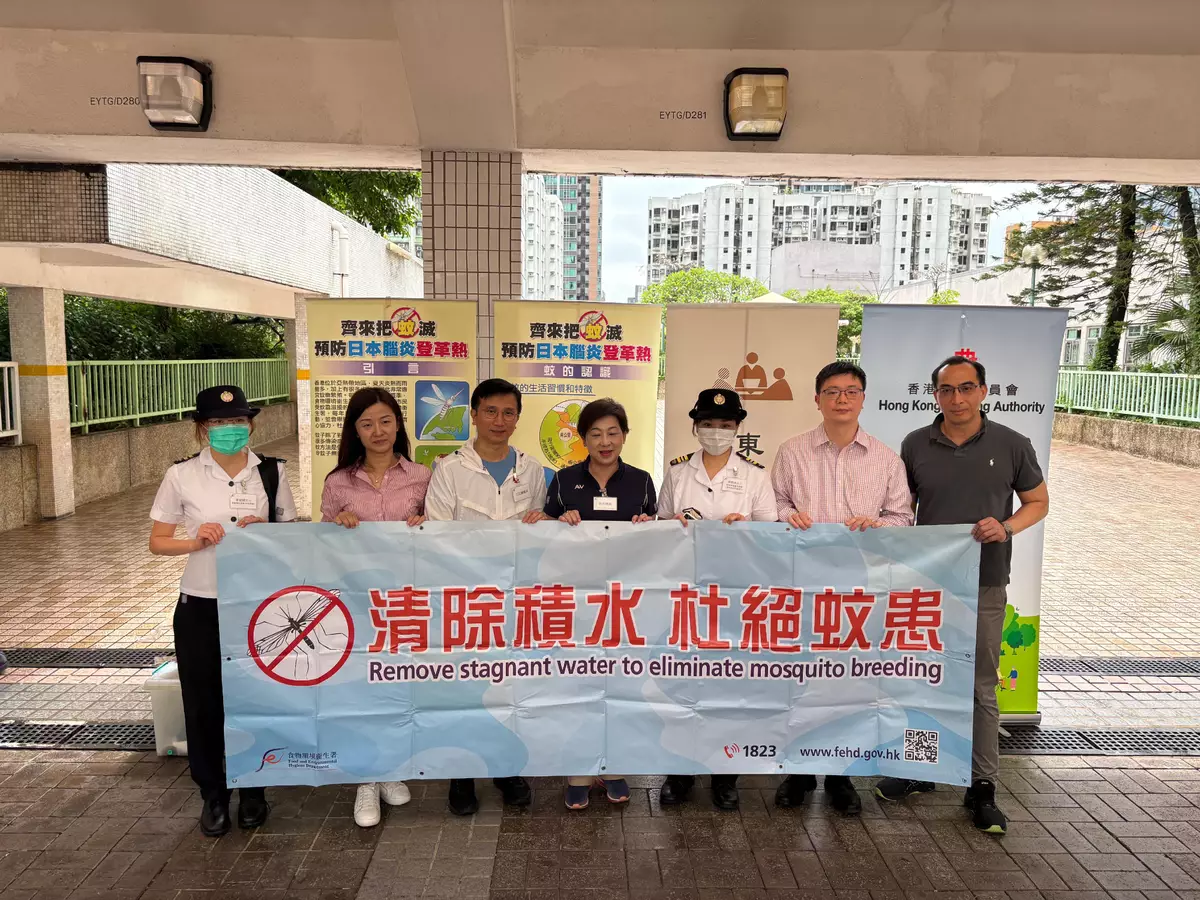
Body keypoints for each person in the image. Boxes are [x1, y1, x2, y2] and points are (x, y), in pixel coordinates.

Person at [874, 355, 1049, 835]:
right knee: (924, 677)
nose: (957, 398)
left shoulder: (1012, 444)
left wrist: (1006, 527)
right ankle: (921, 768)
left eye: (966, 388)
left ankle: (982, 785)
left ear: (983, 391)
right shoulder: (915, 444)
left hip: (984, 582)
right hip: (926, 587)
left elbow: (1038, 502)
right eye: (947, 390)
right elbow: (900, 509)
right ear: (935, 395)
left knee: (979, 687)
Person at [149, 385, 297, 837]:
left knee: (256, 699)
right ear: (202, 428)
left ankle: (254, 788)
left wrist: (267, 530)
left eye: (237, 421)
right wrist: (195, 542)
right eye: (218, 422)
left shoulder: (271, 472)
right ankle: (213, 793)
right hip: (201, 603)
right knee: (204, 703)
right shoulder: (181, 476)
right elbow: (157, 542)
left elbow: (292, 536)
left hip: (257, 606)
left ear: (250, 425)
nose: (229, 429)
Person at [771, 360, 913, 815]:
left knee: (848, 680)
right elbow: (774, 503)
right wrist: (787, 515)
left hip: (858, 590)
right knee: (799, 678)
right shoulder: (792, 451)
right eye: (832, 391)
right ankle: (798, 771)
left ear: (863, 399)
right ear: (817, 399)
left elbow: (902, 518)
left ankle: (840, 774)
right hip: (803, 586)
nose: (842, 399)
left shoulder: (886, 459)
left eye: (851, 391)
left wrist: (877, 524)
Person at [425, 378, 547, 816]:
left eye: (508, 412)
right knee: (466, 688)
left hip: (516, 602)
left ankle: (507, 769)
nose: (499, 420)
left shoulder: (532, 470)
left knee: (511, 685)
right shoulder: (449, 469)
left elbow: (540, 536)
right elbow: (437, 536)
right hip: (466, 601)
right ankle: (462, 775)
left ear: (517, 418)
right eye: (490, 411)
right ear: (473, 415)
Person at [656, 388, 775, 811]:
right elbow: (660, 527)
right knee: (683, 682)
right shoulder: (677, 473)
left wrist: (746, 529)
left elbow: (773, 537)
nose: (716, 432)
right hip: (686, 595)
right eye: (708, 424)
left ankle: (726, 774)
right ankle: (680, 772)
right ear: (695, 427)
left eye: (725, 425)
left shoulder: (756, 476)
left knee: (729, 684)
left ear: (737, 429)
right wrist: (674, 525)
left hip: (735, 596)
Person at [540, 397, 656, 810]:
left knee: (621, 683)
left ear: (624, 436)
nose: (605, 442)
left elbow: (659, 542)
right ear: (583, 439)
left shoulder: (642, 481)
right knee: (578, 682)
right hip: (576, 603)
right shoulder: (563, 479)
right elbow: (543, 533)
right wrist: (557, 521)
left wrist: (648, 526)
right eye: (595, 434)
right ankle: (578, 770)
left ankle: (615, 766)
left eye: (613, 433)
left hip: (625, 606)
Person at [320, 387, 428, 829]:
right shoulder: (338, 482)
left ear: (398, 424)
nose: (378, 431)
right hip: (358, 605)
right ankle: (366, 779)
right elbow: (320, 546)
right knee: (362, 689)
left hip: (407, 603)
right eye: (367, 424)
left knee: (399, 687)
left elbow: (444, 537)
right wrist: (337, 526)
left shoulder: (423, 476)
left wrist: (428, 525)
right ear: (355, 431)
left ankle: (389, 769)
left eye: (385, 421)